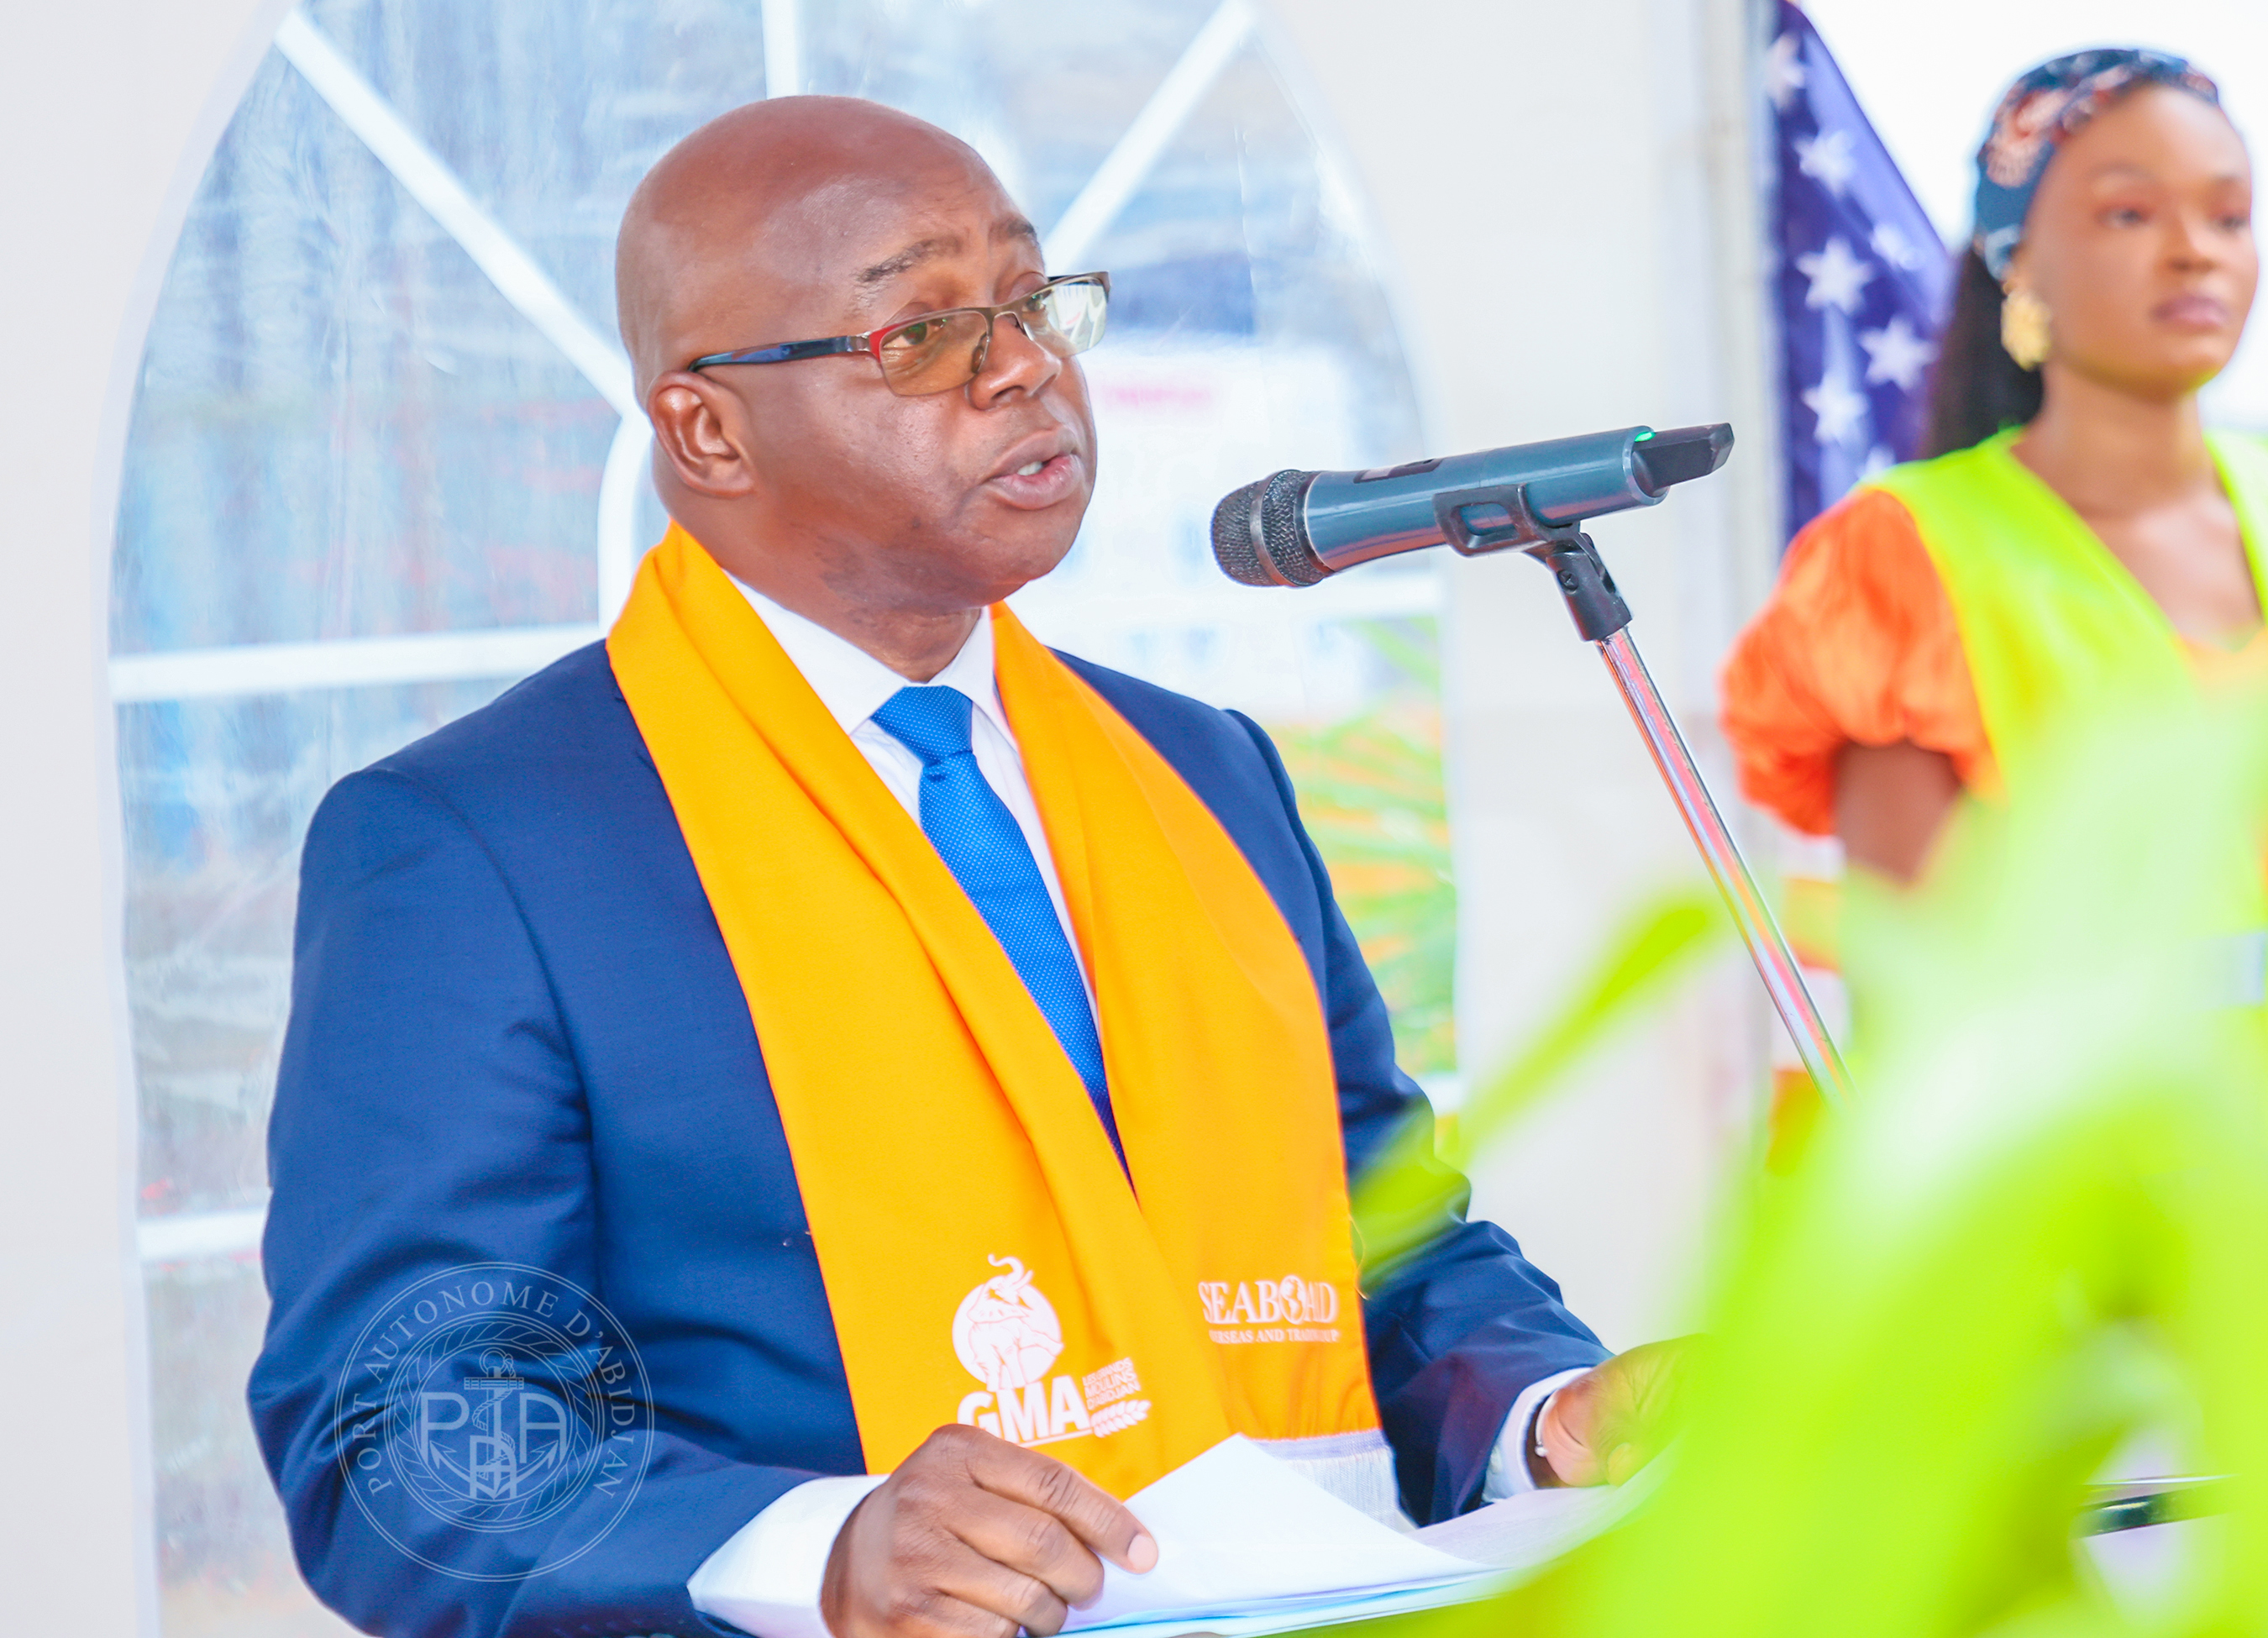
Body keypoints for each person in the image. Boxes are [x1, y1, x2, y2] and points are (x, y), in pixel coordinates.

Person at [249, 97, 1680, 1638]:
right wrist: (822, 1550)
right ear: (708, 430)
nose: (1023, 367)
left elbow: (1383, 1238)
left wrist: (1548, 1410)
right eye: (922, 333)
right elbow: (401, 1435)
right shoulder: (479, 847)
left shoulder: (1203, 771)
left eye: (1030, 299)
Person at [1725, 50, 2264, 885]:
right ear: (2018, 258)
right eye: (2129, 213)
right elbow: (1909, 952)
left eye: (2229, 218)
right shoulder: (1897, 557)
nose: (2196, 251)